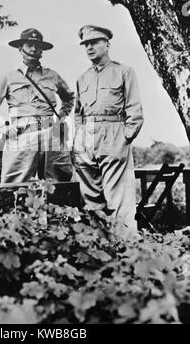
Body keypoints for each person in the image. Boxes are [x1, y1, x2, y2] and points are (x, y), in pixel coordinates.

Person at [0, 28, 75, 183]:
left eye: (37, 45)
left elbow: (69, 98)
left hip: (51, 134)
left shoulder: (52, 76)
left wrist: (61, 118)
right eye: (29, 45)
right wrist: (2, 127)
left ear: (42, 50)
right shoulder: (10, 77)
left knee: (59, 182)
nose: (34, 49)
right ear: (20, 48)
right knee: (14, 185)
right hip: (21, 135)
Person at [73, 24, 144, 234]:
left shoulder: (124, 71)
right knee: (91, 200)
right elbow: (78, 113)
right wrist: (78, 137)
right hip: (86, 137)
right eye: (86, 44)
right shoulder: (82, 77)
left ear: (107, 44)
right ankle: (100, 250)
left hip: (113, 133)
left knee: (119, 199)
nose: (89, 47)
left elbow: (135, 110)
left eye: (94, 42)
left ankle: (126, 253)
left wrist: (124, 137)